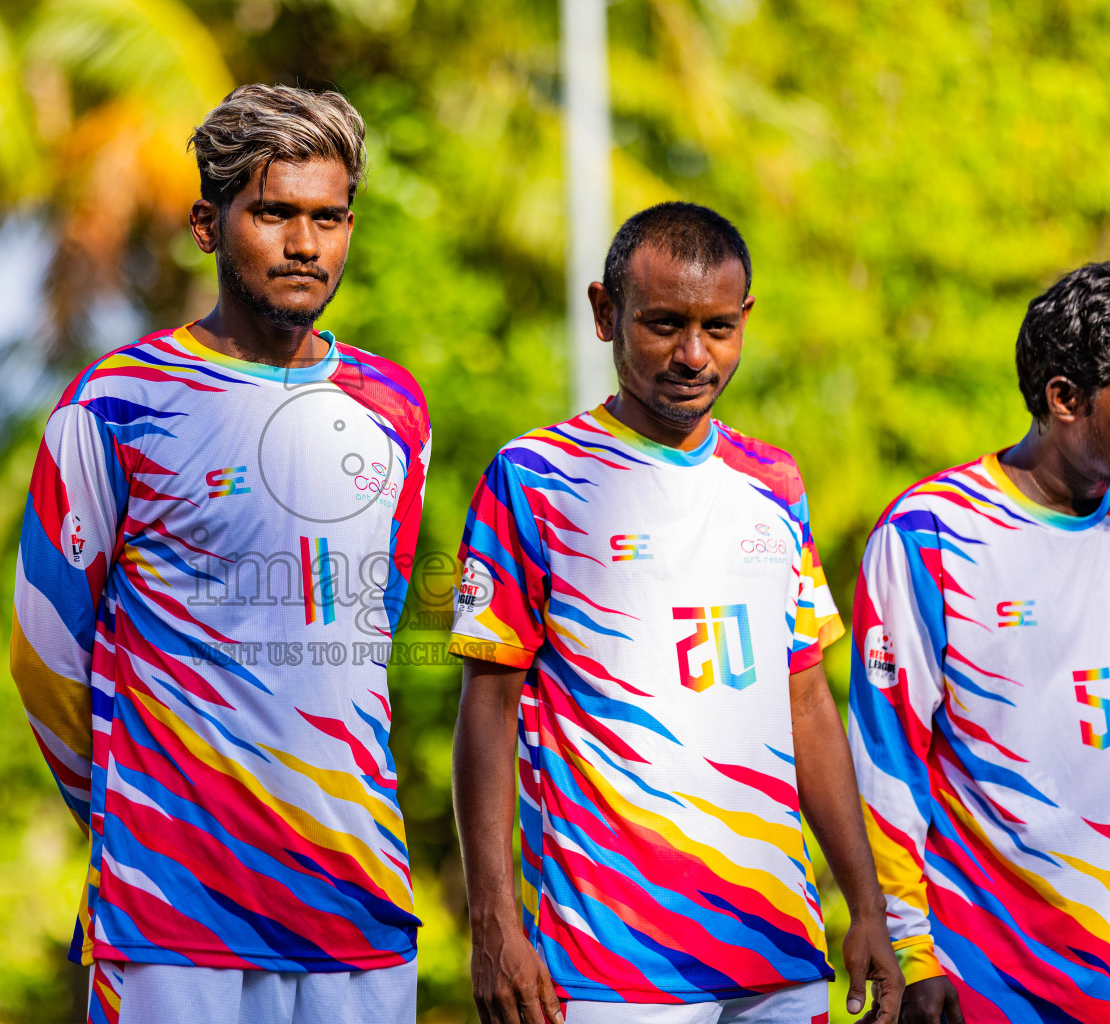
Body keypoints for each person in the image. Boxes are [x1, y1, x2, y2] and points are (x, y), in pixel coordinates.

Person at [9, 84, 431, 1024]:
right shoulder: (113, 404)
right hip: (171, 911)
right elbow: (44, 657)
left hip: (356, 900)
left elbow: (373, 627)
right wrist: (134, 821)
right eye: (274, 212)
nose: (303, 243)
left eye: (328, 218)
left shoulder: (397, 409)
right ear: (208, 224)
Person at [451, 202, 902, 1024]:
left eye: (718, 328)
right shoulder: (533, 478)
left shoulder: (776, 483)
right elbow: (488, 702)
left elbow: (806, 703)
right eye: (663, 324)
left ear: (744, 321)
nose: (693, 355)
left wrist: (868, 907)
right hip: (606, 965)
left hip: (780, 952)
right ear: (603, 313)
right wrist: (493, 920)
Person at [848, 263, 1110, 1024]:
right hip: (996, 980)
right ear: (1064, 398)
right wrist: (910, 950)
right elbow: (886, 756)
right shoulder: (931, 536)